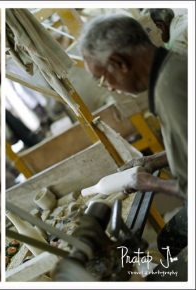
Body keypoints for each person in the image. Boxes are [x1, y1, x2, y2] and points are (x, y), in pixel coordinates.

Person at [80, 14, 187, 280]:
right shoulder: (175, 67)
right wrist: (154, 162)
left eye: (103, 79)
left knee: (158, 278)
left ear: (119, 63)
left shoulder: (170, 92)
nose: (110, 89)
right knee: (167, 242)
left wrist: (153, 184)